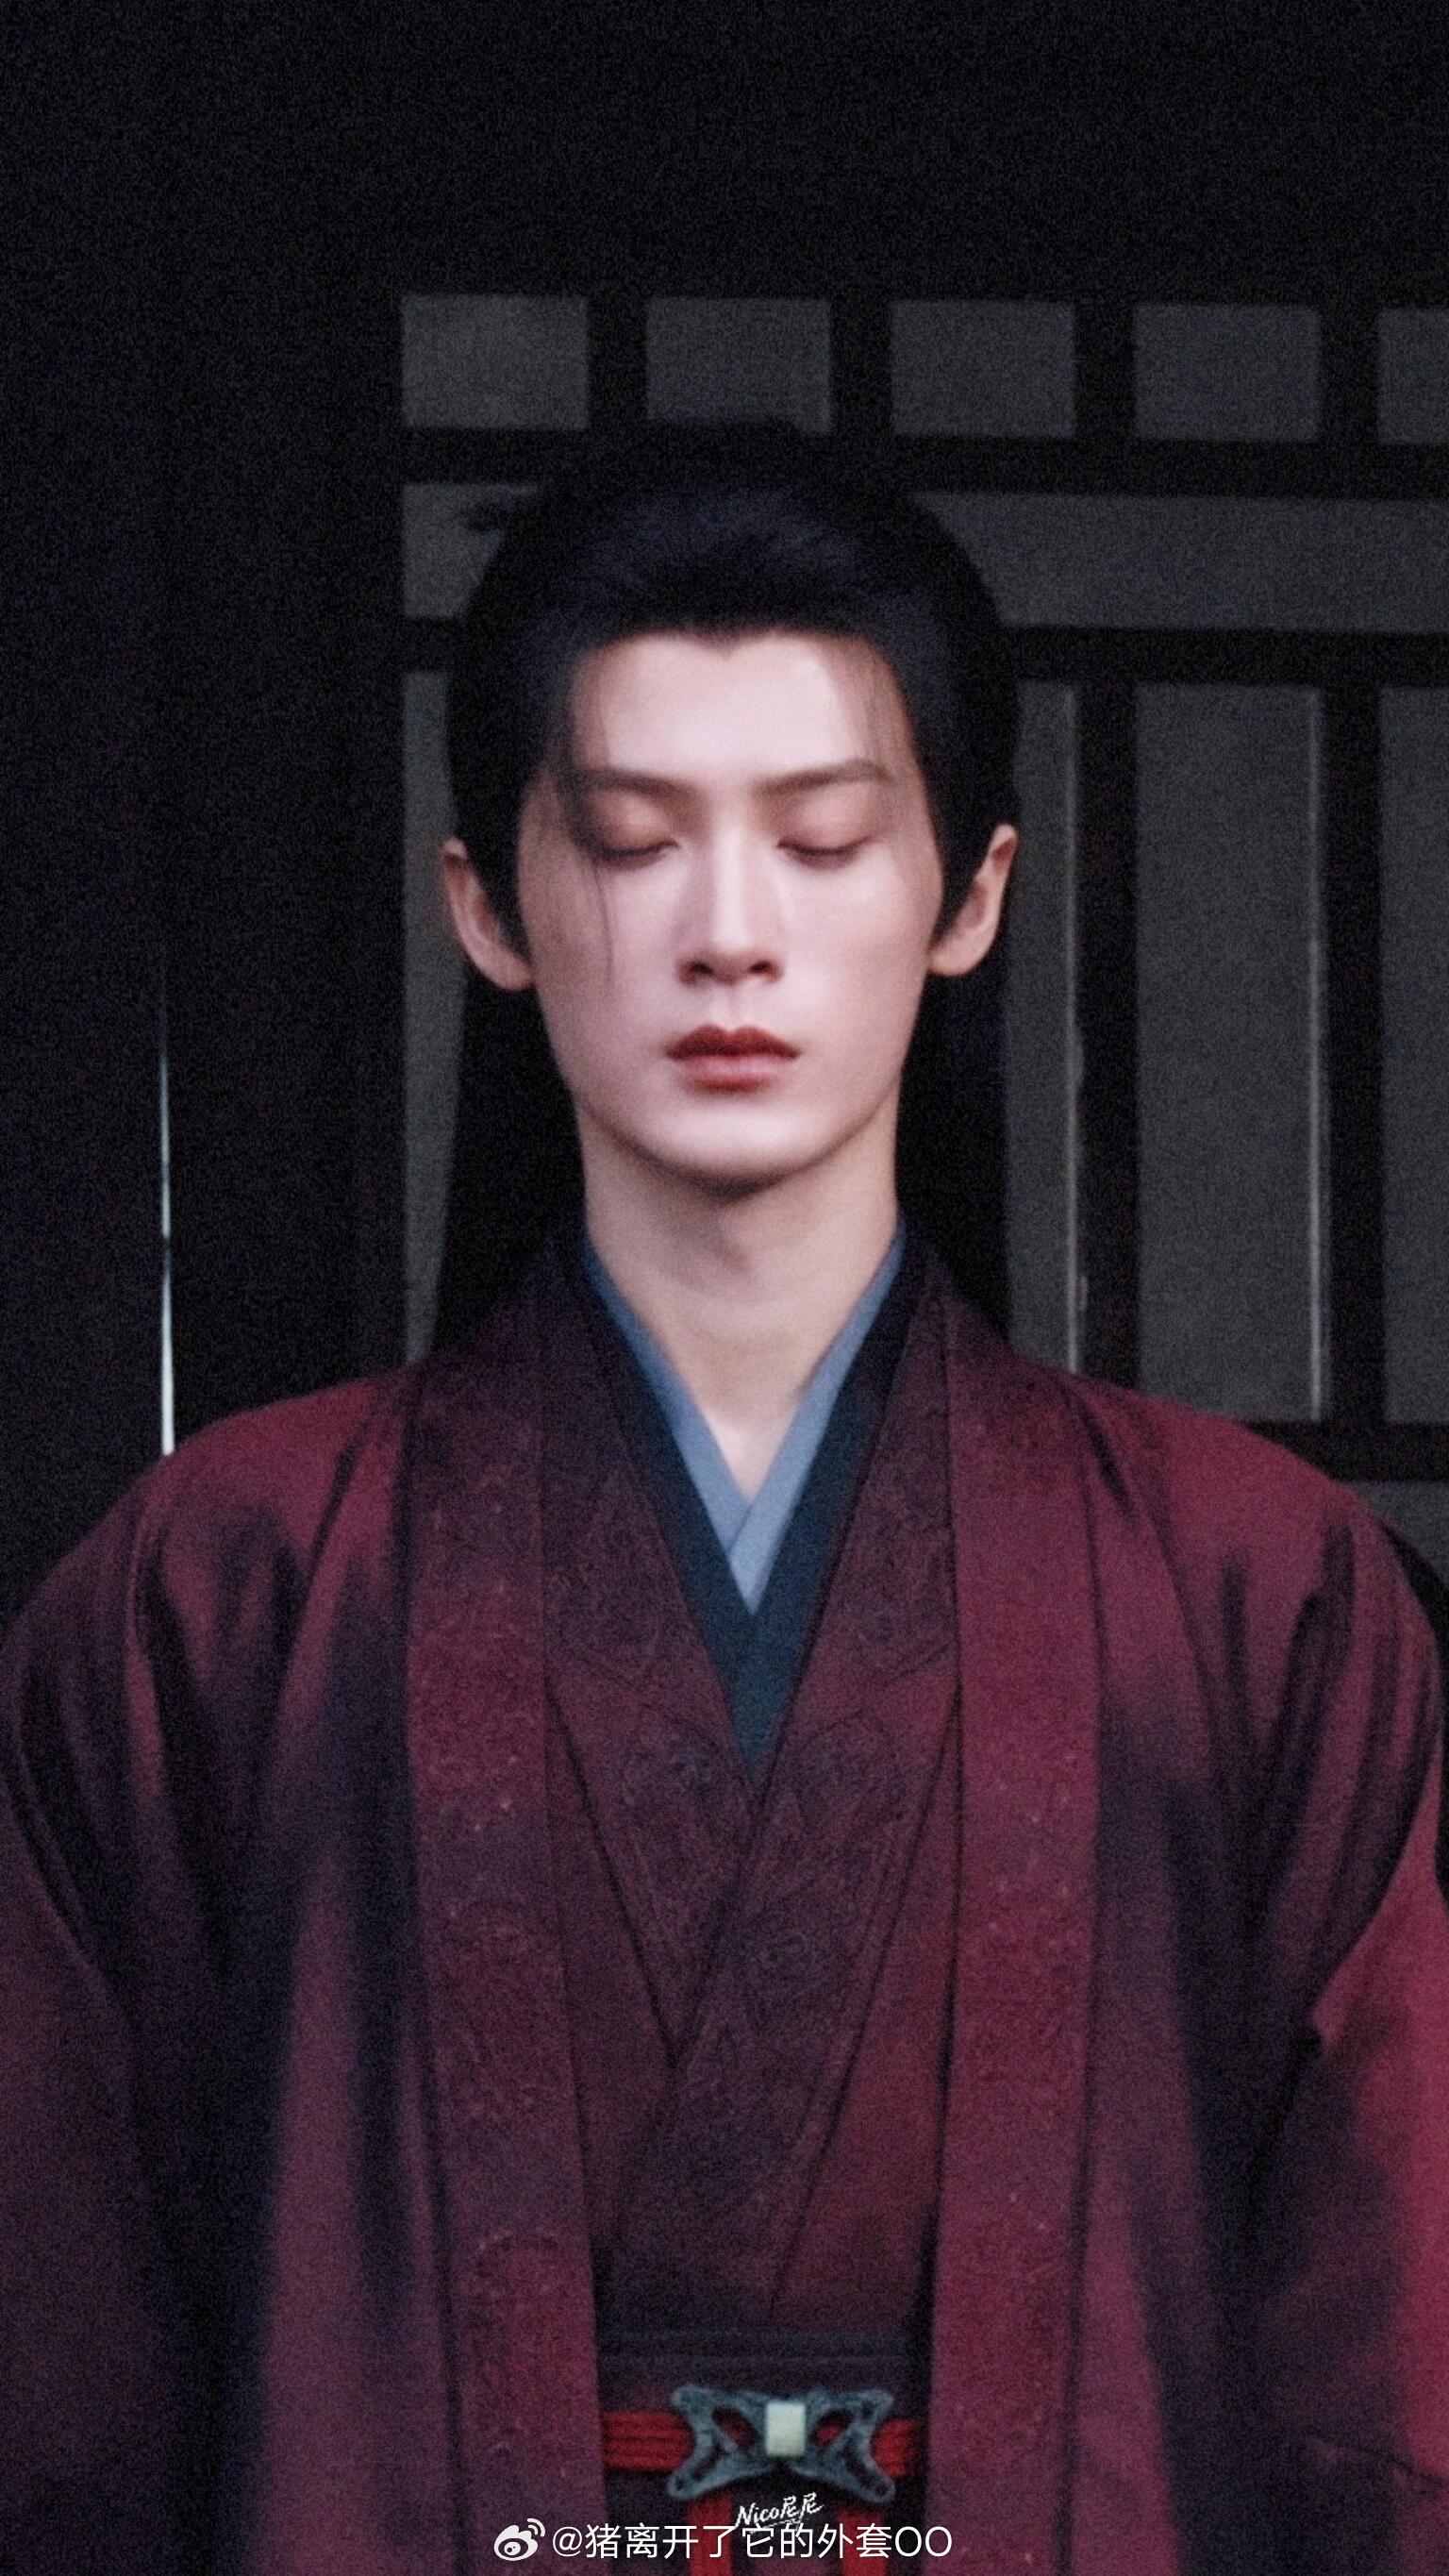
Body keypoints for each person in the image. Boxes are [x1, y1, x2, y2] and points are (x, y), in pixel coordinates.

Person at [3, 426, 1448, 2576]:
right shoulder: (230, 1588)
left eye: (826, 840)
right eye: (631, 841)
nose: (730, 937)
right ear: (487, 906)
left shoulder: (1254, 1592)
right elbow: (68, 2391)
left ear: (971, 896)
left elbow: (1383, 2377)